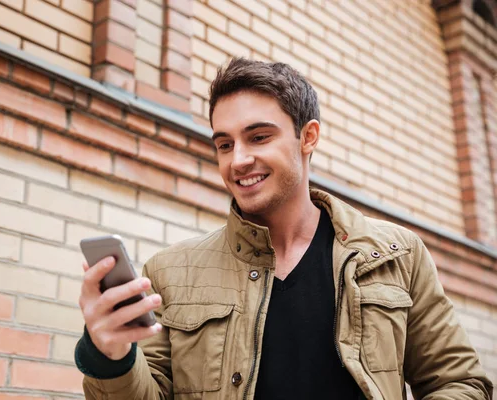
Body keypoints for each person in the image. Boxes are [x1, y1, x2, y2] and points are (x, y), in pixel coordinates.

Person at [74, 57, 493, 399]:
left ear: (307, 137)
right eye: (224, 144)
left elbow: (460, 383)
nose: (237, 160)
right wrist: (113, 355)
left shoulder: (397, 255)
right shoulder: (169, 272)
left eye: (258, 137)